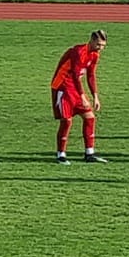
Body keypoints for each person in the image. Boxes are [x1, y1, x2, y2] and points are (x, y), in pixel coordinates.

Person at [50, 30, 108, 164]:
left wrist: (95, 96)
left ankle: (89, 153)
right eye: (99, 44)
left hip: (75, 88)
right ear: (92, 40)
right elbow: (76, 75)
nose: (101, 48)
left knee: (90, 117)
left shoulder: (94, 54)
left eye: (103, 45)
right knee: (66, 121)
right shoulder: (78, 52)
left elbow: (91, 75)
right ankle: (61, 155)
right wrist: (82, 95)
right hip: (63, 87)